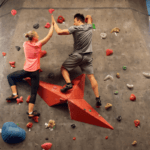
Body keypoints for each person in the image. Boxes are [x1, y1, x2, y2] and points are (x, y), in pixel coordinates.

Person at [6, 16, 54, 118]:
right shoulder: (38, 45)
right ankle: (30, 113)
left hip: (26, 71)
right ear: (35, 38)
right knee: (33, 92)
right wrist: (53, 24)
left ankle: (15, 94)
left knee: (10, 76)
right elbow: (49, 36)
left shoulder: (25, 44)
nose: (38, 36)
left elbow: (33, 50)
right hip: (35, 72)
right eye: (37, 35)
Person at [51, 13, 102, 107]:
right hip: (88, 57)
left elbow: (59, 32)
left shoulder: (75, 28)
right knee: (91, 77)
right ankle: (98, 98)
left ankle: (68, 83)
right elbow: (89, 17)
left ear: (79, 20)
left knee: (63, 68)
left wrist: (54, 23)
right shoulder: (89, 27)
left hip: (77, 55)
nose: (74, 23)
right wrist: (87, 17)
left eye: (74, 21)